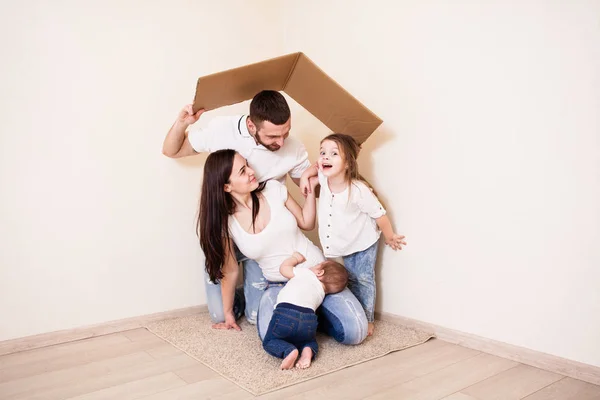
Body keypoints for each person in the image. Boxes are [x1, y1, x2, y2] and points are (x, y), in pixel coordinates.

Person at [162, 90, 311, 325]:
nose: (281, 142)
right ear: (252, 125)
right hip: (229, 229)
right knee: (220, 314)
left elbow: (309, 186)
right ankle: (227, 286)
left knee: (254, 317)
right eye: (273, 136)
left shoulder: (293, 148)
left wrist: (336, 165)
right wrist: (183, 123)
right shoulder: (223, 130)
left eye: (286, 132)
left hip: (262, 237)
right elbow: (172, 150)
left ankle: (252, 294)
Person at [198, 149, 368, 346]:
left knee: (356, 332)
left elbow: (306, 222)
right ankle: (308, 315)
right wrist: (228, 313)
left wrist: (310, 188)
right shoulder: (226, 223)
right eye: (243, 171)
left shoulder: (272, 189)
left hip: (318, 275)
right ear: (226, 187)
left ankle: (310, 314)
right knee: (272, 336)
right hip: (279, 285)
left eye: (248, 165)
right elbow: (230, 268)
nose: (252, 171)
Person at [300, 133, 407, 336]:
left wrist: (390, 236)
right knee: (348, 278)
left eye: (333, 154)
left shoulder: (358, 191)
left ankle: (367, 320)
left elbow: (379, 215)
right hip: (344, 240)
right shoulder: (323, 176)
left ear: (348, 163)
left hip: (362, 241)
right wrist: (307, 176)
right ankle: (352, 314)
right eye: (322, 152)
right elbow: (315, 166)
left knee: (363, 279)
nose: (324, 158)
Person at [262, 252, 348, 370]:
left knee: (270, 341)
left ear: (319, 272)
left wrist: (294, 259)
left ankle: (288, 351)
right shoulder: (322, 293)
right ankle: (308, 350)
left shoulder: (306, 273)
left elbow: (284, 269)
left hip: (285, 313)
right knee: (308, 340)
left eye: (317, 265)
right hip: (309, 320)